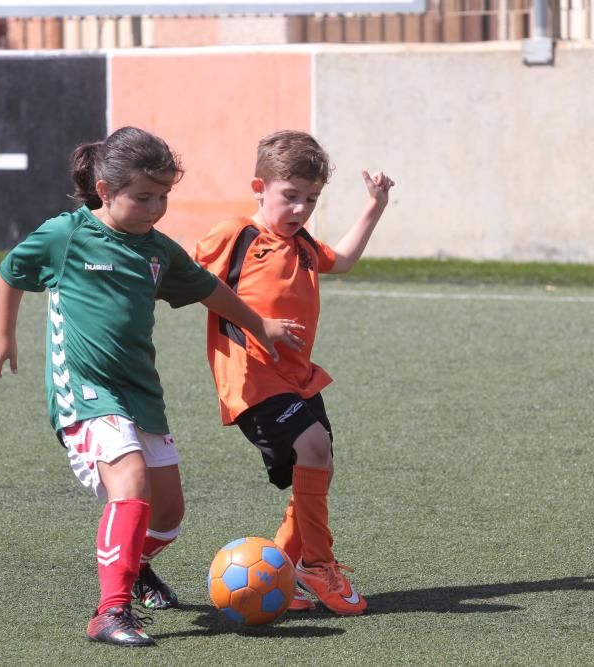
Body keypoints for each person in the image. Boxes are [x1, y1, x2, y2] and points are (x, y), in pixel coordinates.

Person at [0, 126, 304, 647]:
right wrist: (3, 334)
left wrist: (258, 324)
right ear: (106, 190)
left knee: (170, 514)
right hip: (86, 390)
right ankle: (109, 612)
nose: (156, 208)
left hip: (141, 393)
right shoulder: (67, 235)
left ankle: (133, 569)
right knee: (129, 483)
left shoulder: (157, 251)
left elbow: (208, 289)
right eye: (143, 197)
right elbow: (12, 269)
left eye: (163, 197)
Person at [193, 130, 394, 616]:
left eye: (311, 199)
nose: (300, 209)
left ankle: (280, 569)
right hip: (252, 379)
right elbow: (184, 277)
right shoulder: (235, 234)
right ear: (259, 186)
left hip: (298, 379)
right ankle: (317, 565)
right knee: (315, 449)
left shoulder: (302, 244)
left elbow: (342, 260)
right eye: (290, 197)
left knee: (319, 463)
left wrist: (376, 205)